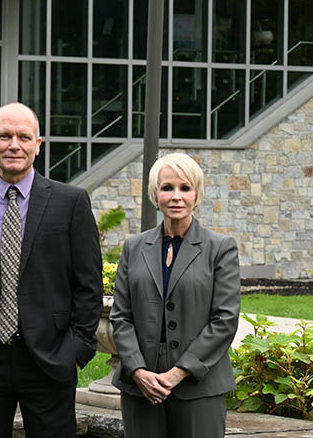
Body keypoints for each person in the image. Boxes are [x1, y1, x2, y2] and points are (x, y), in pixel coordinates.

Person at [0, 102, 103, 437]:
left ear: (38, 145)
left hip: (51, 357)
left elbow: (88, 284)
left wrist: (77, 350)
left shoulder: (70, 202)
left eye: (24, 137)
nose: (14, 144)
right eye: (5, 136)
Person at [110, 152, 241, 438]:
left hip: (198, 386)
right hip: (140, 386)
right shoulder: (134, 247)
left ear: (197, 194)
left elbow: (225, 320)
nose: (176, 196)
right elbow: (120, 316)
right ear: (155, 195)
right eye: (167, 188)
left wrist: (178, 372)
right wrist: (137, 371)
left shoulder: (220, 248)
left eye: (185, 188)